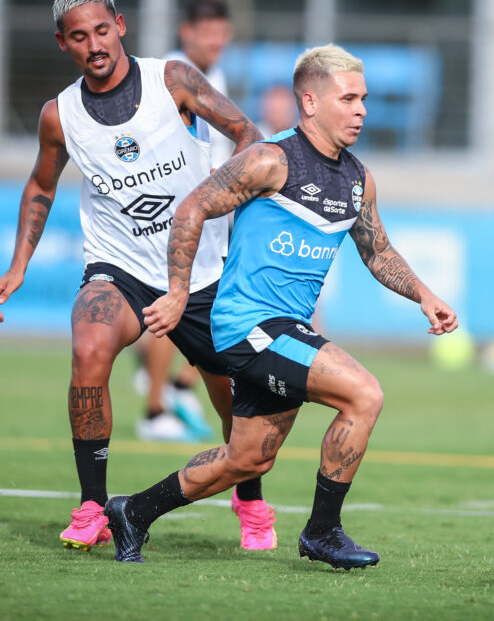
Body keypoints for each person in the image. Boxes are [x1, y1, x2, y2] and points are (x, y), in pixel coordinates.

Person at [104, 44, 459, 567]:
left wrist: (425, 296)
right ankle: (322, 532)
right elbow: (192, 207)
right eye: (350, 98)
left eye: (364, 99)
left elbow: (377, 250)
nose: (362, 109)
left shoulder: (357, 179)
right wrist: (179, 292)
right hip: (249, 326)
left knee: (247, 460)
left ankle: (132, 512)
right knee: (364, 395)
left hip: (284, 331)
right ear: (310, 102)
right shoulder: (271, 159)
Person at [0, 0, 278, 553]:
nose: (93, 44)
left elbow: (247, 133)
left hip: (199, 272)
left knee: (229, 396)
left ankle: (250, 502)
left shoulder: (172, 80)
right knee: (88, 347)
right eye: (78, 36)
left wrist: (235, 198)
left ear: (120, 25)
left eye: (100, 30)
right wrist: (19, 265)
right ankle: (93, 506)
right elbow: (41, 184)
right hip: (117, 268)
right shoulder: (59, 116)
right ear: (61, 43)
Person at [134, 0, 238, 443]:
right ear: (187, 32)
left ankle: (179, 386)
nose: (215, 39)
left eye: (221, 31)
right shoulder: (168, 76)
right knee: (172, 303)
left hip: (214, 210)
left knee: (208, 305)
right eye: (207, 31)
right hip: (179, 212)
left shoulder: (216, 76)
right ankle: (156, 408)